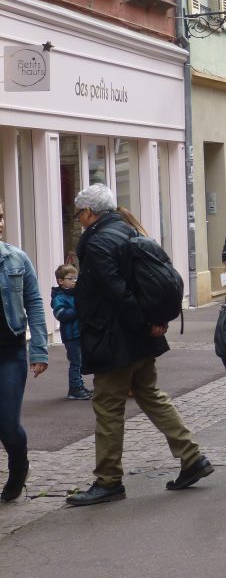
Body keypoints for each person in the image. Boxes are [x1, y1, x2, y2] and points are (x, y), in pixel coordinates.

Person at [68, 185, 212, 506]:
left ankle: (108, 480)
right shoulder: (127, 230)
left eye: (79, 214)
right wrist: (149, 324)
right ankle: (192, 457)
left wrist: (141, 323)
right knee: (150, 394)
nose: (79, 220)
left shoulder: (97, 241)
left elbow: (116, 292)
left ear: (89, 212)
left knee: (108, 407)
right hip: (139, 335)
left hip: (115, 336)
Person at [0, 200, 47, 503]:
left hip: (10, 352)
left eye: (1, 216)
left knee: (7, 424)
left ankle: (19, 467)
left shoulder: (16, 258)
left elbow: (35, 303)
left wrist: (39, 350)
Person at [51, 264, 91, 400]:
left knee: (80, 361)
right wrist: (78, 309)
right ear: (60, 281)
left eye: (75, 278)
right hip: (71, 335)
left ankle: (79, 385)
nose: (74, 281)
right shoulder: (59, 298)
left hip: (80, 333)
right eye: (70, 278)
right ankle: (74, 388)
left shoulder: (76, 294)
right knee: (75, 362)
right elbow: (61, 315)